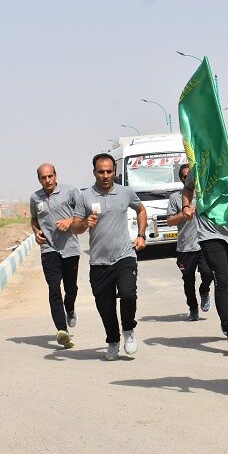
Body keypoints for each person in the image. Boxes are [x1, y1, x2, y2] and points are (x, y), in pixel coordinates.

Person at [72, 153, 147, 360]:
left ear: (114, 171)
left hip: (124, 255)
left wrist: (140, 235)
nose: (105, 175)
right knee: (105, 306)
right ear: (94, 172)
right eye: (101, 172)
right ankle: (113, 340)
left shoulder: (125, 192)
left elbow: (141, 210)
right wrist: (85, 223)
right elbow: (75, 227)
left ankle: (129, 331)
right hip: (99, 261)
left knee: (128, 294)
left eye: (109, 171)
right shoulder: (85, 197)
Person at [182, 166, 228, 350]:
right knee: (222, 280)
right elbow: (188, 188)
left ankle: (226, 308)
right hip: (210, 233)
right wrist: (186, 206)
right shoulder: (198, 167)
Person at [29, 163, 81, 349]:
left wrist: (70, 220)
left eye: (50, 176)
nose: (48, 180)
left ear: (56, 176)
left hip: (70, 248)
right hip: (49, 249)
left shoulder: (70, 192)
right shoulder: (35, 198)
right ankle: (62, 331)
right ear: (39, 179)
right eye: (44, 177)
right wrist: (36, 231)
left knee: (71, 288)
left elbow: (82, 213)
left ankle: (71, 308)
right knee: (53, 287)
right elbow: (34, 219)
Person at [166, 163, 213, 321]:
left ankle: (204, 290)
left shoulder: (204, 193)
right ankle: (193, 308)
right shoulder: (175, 198)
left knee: (208, 273)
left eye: (191, 175)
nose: (189, 178)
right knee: (188, 281)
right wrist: (183, 214)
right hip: (185, 246)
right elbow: (170, 221)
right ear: (182, 179)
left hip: (205, 243)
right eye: (185, 176)